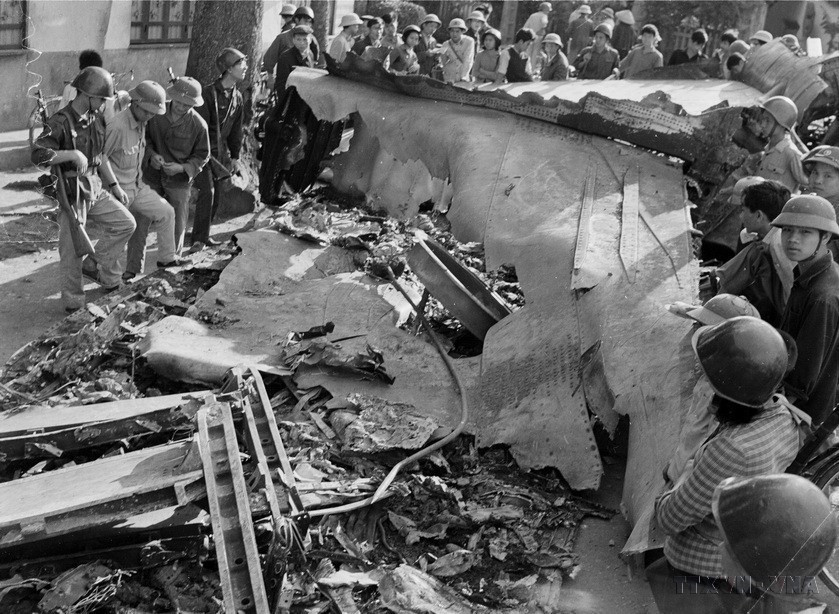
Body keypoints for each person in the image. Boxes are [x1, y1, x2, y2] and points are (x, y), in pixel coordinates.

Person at [648, 316, 808, 613]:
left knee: (658, 567)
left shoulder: (732, 450)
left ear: (729, 396)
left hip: (704, 568)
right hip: (748, 548)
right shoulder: (783, 416)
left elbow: (668, 519)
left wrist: (684, 472)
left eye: (712, 381)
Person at [31, 67, 136, 312]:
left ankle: (95, 264)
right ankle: (74, 306)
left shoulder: (95, 118)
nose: (103, 104)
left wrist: (114, 185)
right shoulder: (59, 121)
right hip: (70, 193)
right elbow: (37, 155)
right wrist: (70, 154)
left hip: (94, 188)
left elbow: (99, 156)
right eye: (101, 99)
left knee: (126, 224)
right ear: (87, 95)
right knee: (71, 254)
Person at [99, 80, 185, 284]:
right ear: (134, 104)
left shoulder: (142, 123)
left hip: (137, 186)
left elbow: (137, 151)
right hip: (117, 191)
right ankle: (109, 281)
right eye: (147, 111)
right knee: (121, 234)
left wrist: (152, 158)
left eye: (153, 113)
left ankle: (166, 260)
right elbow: (101, 157)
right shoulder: (117, 125)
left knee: (166, 212)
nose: (150, 116)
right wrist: (114, 187)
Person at [774, 195, 839, 427]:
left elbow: (802, 379)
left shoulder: (823, 296)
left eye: (805, 233)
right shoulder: (814, 274)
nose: (793, 239)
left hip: (799, 417)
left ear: (826, 237)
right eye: (788, 230)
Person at [143, 76, 210, 262]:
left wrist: (182, 168)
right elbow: (144, 138)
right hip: (152, 175)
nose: (181, 107)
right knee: (140, 219)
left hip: (179, 180)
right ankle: (132, 268)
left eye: (187, 105)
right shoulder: (155, 112)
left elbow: (203, 155)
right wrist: (151, 155)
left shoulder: (199, 125)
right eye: (179, 102)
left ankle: (171, 261)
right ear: (172, 97)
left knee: (178, 221)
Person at [716, 180, 793, 326]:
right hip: (786, 307)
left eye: (743, 210)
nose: (740, 216)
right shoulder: (773, 235)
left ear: (758, 215)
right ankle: (720, 288)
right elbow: (745, 235)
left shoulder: (778, 243)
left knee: (755, 254)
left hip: (789, 313)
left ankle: (717, 297)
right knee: (756, 251)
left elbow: (792, 288)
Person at [192, 48, 246, 250]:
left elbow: (236, 131)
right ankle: (198, 239)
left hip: (219, 154)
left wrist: (235, 156)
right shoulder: (207, 93)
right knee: (208, 191)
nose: (245, 69)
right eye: (241, 65)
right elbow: (199, 128)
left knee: (216, 194)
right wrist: (204, 154)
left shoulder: (237, 97)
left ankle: (203, 235)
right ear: (229, 69)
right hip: (200, 151)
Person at [746, 96, 807, 194]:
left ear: (782, 125)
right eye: (763, 120)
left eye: (768, 121)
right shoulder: (767, 149)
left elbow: (808, 184)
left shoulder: (791, 153)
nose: (762, 124)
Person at [263, 6, 319, 79]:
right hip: (285, 80)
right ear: (296, 20)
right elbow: (269, 59)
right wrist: (270, 78)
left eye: (310, 22)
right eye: (305, 21)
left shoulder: (311, 39)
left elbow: (315, 60)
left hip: (305, 82)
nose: (308, 24)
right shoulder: (283, 38)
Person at [276, 25, 317, 92]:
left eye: (305, 39)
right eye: (298, 39)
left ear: (310, 40)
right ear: (293, 40)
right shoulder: (285, 57)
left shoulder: (310, 55)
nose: (302, 43)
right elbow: (281, 85)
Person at [440, 18, 475, 83]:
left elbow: (468, 60)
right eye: (452, 31)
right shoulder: (445, 44)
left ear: (462, 31)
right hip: (449, 78)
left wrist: (463, 76)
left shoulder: (469, 42)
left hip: (462, 77)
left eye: (457, 31)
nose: (454, 34)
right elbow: (443, 62)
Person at [523, 2, 552, 71]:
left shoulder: (533, 15)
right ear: (545, 9)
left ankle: (526, 69)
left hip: (529, 37)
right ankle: (532, 70)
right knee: (535, 54)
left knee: (528, 53)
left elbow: (525, 26)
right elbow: (544, 25)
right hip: (538, 36)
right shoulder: (544, 16)